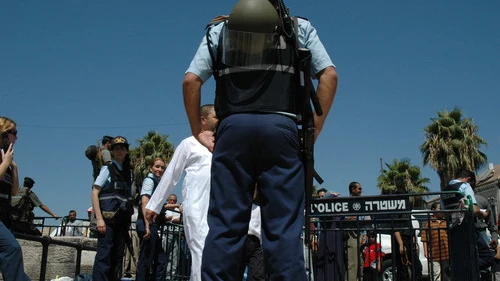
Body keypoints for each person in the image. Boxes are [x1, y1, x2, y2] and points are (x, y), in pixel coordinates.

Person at [182, 0, 337, 279]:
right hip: (282, 129)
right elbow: (329, 76)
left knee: (226, 226)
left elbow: (191, 81)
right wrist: (313, 129)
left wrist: (197, 131)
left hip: (232, 129)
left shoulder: (220, 30)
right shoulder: (298, 28)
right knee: (283, 229)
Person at [145, 104, 217, 281]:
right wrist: (154, 204)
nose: (220, 119)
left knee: (217, 252)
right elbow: (171, 175)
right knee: (200, 249)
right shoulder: (189, 144)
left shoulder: (224, 143)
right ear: (203, 119)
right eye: (216, 116)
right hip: (196, 205)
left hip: (220, 205)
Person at [91, 136, 134, 281]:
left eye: (122, 148)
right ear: (113, 151)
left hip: (121, 222)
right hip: (107, 222)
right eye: (116, 148)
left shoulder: (128, 173)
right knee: (104, 257)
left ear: (126, 151)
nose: (120, 150)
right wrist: (99, 219)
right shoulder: (107, 168)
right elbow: (95, 192)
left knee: (117, 257)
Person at [443, 170, 495, 280]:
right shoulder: (464, 186)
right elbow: (475, 210)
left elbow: (444, 213)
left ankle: (458, 269)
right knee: (488, 257)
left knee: (462, 258)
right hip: (467, 227)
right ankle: (466, 268)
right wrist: (483, 214)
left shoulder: (444, 191)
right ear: (469, 179)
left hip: (453, 231)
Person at [0, 116, 31, 280]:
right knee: (12, 249)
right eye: (14, 133)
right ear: (4, 133)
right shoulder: (4, 159)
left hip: (4, 213)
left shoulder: (7, 157)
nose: (17, 137)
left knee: (11, 260)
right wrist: (5, 163)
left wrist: (14, 168)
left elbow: (13, 192)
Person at [135, 157, 167, 281]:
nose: (160, 169)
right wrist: (147, 225)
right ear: (151, 167)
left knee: (160, 259)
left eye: (162, 167)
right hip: (148, 223)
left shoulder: (157, 182)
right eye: (157, 166)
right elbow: (145, 202)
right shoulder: (149, 181)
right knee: (146, 259)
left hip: (152, 224)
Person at [421, 202, 450, 281]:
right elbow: (424, 238)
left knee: (446, 274)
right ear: (433, 210)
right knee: (435, 274)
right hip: (434, 254)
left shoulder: (445, 222)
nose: (441, 211)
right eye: (439, 208)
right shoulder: (428, 223)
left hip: (446, 253)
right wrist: (426, 251)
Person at [345, 182, 365, 281]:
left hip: (360, 233)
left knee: (360, 261)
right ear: (353, 190)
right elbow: (342, 218)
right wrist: (348, 218)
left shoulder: (362, 202)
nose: (361, 191)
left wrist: (364, 234)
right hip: (351, 233)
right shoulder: (346, 202)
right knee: (352, 262)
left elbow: (365, 219)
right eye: (359, 189)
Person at [245, 191, 265, 281]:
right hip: (242, 239)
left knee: (257, 275)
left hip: (256, 243)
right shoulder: (242, 206)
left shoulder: (259, 208)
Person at [164, 194, 182, 280]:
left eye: (174, 201)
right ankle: (164, 275)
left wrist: (171, 218)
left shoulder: (177, 210)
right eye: (171, 200)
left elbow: (178, 219)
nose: (172, 202)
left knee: (175, 257)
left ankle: (171, 276)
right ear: (168, 200)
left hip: (176, 234)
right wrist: (173, 218)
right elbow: (167, 218)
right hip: (167, 234)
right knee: (165, 255)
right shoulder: (165, 209)